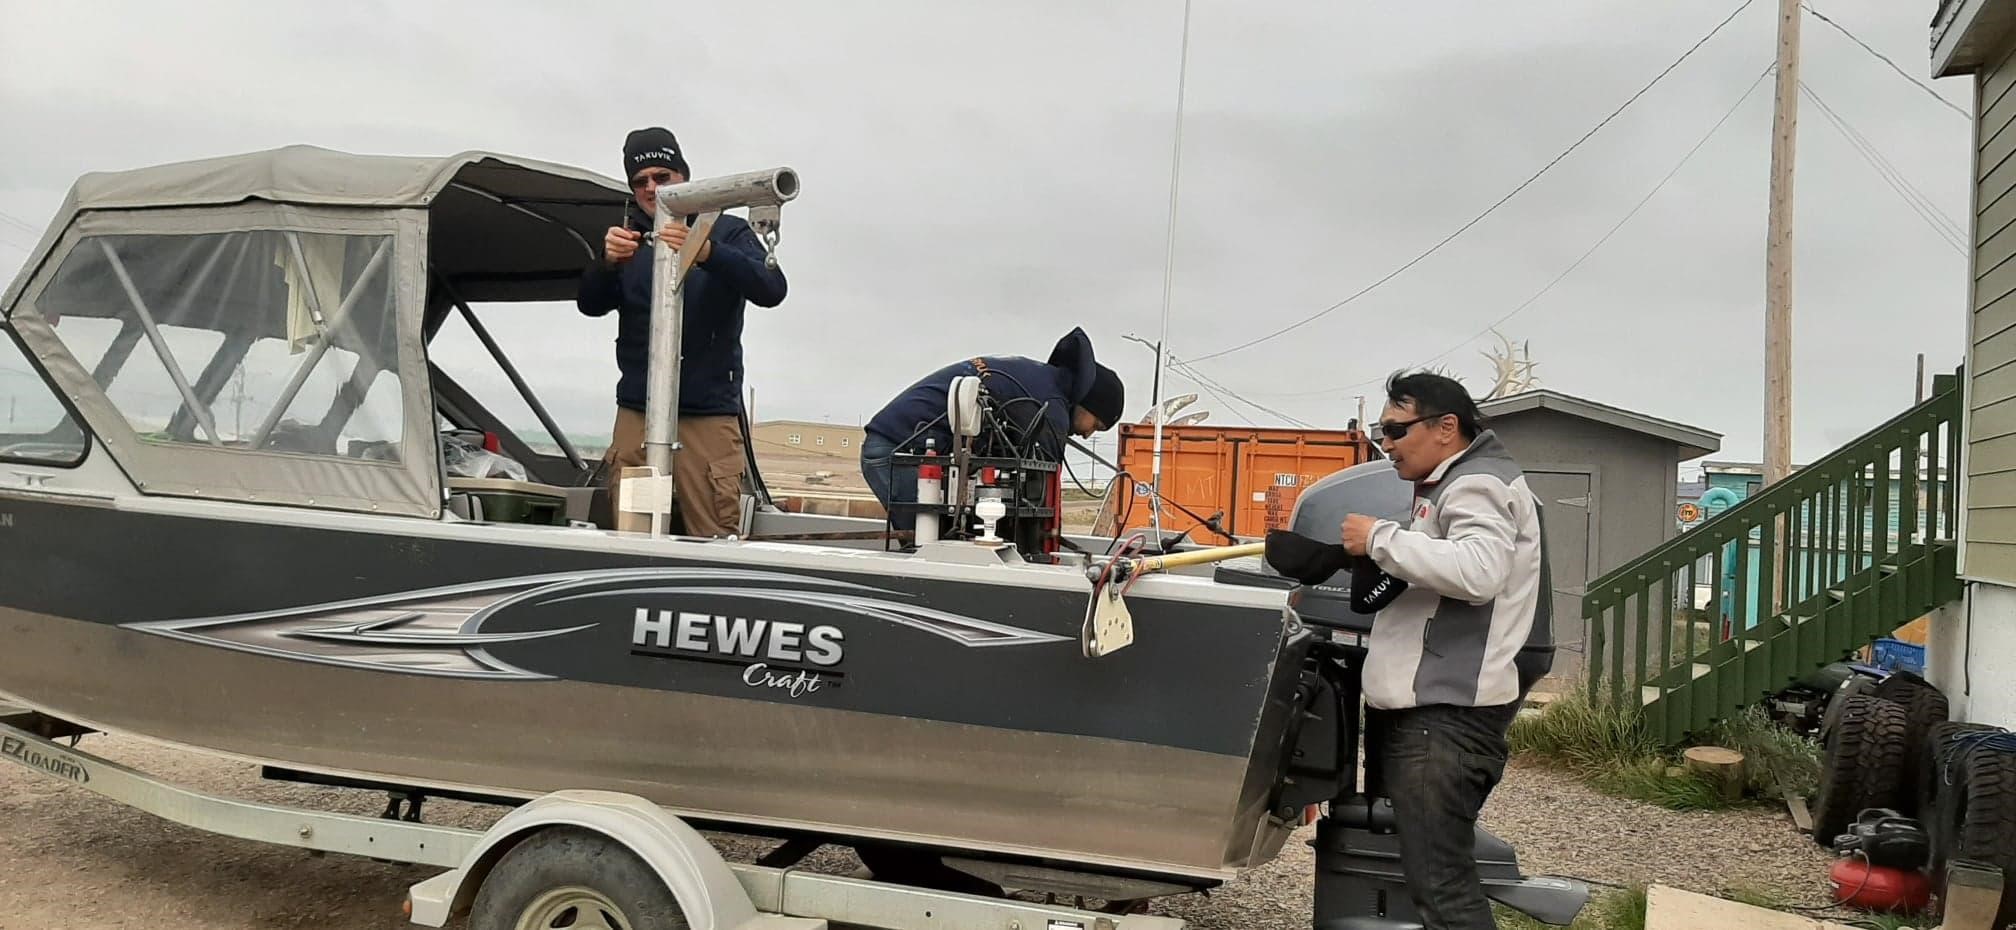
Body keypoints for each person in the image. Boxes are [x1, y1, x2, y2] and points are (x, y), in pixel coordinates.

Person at [1338, 370, 1552, 930]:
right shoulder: (1452, 482)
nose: (1385, 443)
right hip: (1435, 712)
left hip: (1446, 718)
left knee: (1443, 886)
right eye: (1380, 430)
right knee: (1430, 878)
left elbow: (1480, 571)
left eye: (1395, 429)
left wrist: (1379, 538)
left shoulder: (1475, 483)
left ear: (1445, 427)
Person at [578, 127, 788, 536]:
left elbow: (772, 289)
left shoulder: (725, 231)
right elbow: (590, 303)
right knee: (633, 534)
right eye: (640, 182)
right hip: (637, 412)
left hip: (707, 417)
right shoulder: (629, 238)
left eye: (663, 177)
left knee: (712, 536)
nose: (652, 188)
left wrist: (707, 251)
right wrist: (605, 263)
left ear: (684, 176)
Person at [860, 327, 1124, 529]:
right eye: (1096, 425)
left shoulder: (1034, 378)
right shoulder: (1049, 405)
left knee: (941, 534)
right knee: (925, 541)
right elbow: (1043, 489)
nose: (1088, 434)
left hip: (905, 446)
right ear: (1087, 403)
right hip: (897, 450)